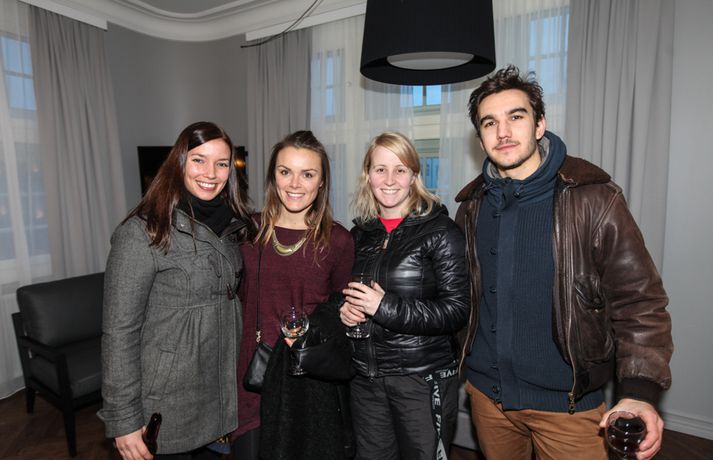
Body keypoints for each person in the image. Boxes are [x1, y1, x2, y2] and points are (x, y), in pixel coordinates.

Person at [455, 65, 673, 460]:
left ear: (540, 124)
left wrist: (639, 392)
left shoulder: (595, 199)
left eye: (516, 117)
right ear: (480, 137)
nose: (503, 132)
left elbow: (639, 301)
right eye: (489, 123)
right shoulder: (471, 207)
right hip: (488, 399)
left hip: (570, 408)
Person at [99, 121, 257, 459]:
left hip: (220, 399)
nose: (211, 173)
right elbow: (119, 333)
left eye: (222, 163)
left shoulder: (234, 227)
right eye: (199, 160)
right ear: (180, 162)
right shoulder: (142, 232)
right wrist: (123, 420)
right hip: (167, 406)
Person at [339, 132, 470, 460]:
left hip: (421, 380)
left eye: (400, 170)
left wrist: (385, 307)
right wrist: (345, 311)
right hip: (366, 380)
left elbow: (457, 310)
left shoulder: (441, 231)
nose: (389, 179)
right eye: (380, 169)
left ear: (414, 176)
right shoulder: (359, 235)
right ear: (368, 175)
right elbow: (346, 294)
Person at [232, 130, 355, 460]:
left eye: (308, 174)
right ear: (273, 176)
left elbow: (339, 311)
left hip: (306, 380)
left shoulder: (338, 240)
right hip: (253, 375)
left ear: (321, 182)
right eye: (285, 171)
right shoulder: (248, 231)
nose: (295, 184)